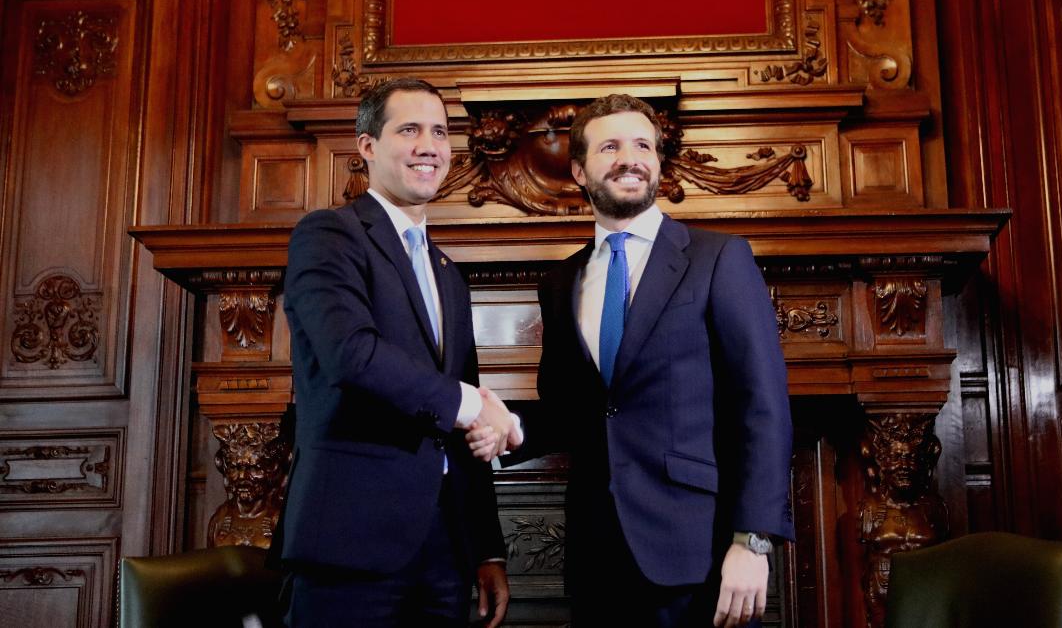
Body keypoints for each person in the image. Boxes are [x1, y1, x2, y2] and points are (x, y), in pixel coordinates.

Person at [516, 93, 794, 627]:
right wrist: (489, 421)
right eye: (611, 146)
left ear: (659, 164)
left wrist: (753, 540)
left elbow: (762, 405)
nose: (631, 157)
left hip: (702, 554)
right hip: (598, 556)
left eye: (643, 145)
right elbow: (567, 413)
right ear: (579, 170)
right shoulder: (559, 282)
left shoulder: (719, 257)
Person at [278, 78, 519, 627]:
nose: (429, 145)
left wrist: (486, 548)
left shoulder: (448, 275)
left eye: (439, 131)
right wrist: (472, 406)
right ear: (367, 146)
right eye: (409, 129)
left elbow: (464, 413)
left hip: (442, 554)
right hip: (348, 544)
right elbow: (351, 354)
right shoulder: (328, 236)